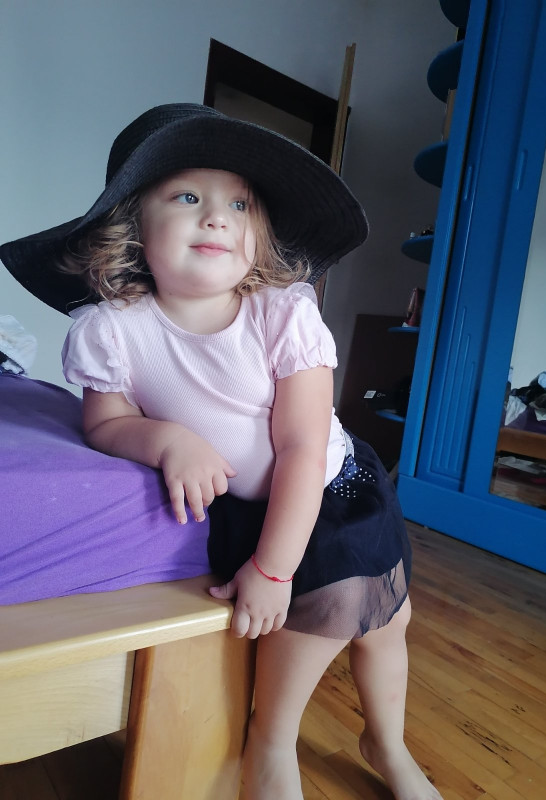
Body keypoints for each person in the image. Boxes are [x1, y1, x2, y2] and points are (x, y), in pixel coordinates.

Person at [0, 104, 443, 800]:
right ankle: (271, 743)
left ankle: (385, 744)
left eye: (238, 204)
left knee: (381, 615)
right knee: (333, 609)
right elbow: (105, 424)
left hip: (329, 485)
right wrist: (166, 437)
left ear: (257, 232)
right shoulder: (110, 329)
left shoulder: (283, 312)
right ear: (132, 228)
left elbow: (302, 445)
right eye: (187, 198)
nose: (216, 218)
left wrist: (272, 568)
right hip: (244, 500)